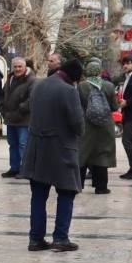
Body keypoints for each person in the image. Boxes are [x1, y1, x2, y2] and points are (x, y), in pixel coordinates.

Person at [24, 58, 85, 251]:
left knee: (38, 196)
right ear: (73, 78)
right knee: (67, 193)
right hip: (61, 150)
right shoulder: (69, 91)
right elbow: (79, 126)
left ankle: (35, 239)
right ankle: (60, 237)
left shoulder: (39, 85)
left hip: (36, 150)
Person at [76, 59, 118, 194]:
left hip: (86, 124)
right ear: (100, 71)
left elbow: (77, 105)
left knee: (83, 154)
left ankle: (78, 185)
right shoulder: (109, 86)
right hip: (105, 125)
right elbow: (114, 107)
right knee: (102, 155)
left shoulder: (81, 86)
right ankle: (101, 187)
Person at [0, 57, 33, 178]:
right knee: (12, 144)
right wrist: (2, 108)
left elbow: (32, 99)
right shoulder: (10, 78)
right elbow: (3, 95)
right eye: (15, 67)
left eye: (20, 66)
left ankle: (25, 169)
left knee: (23, 145)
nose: (17, 69)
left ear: (25, 67)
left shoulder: (32, 80)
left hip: (23, 119)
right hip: (10, 118)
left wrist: (21, 108)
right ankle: (14, 168)